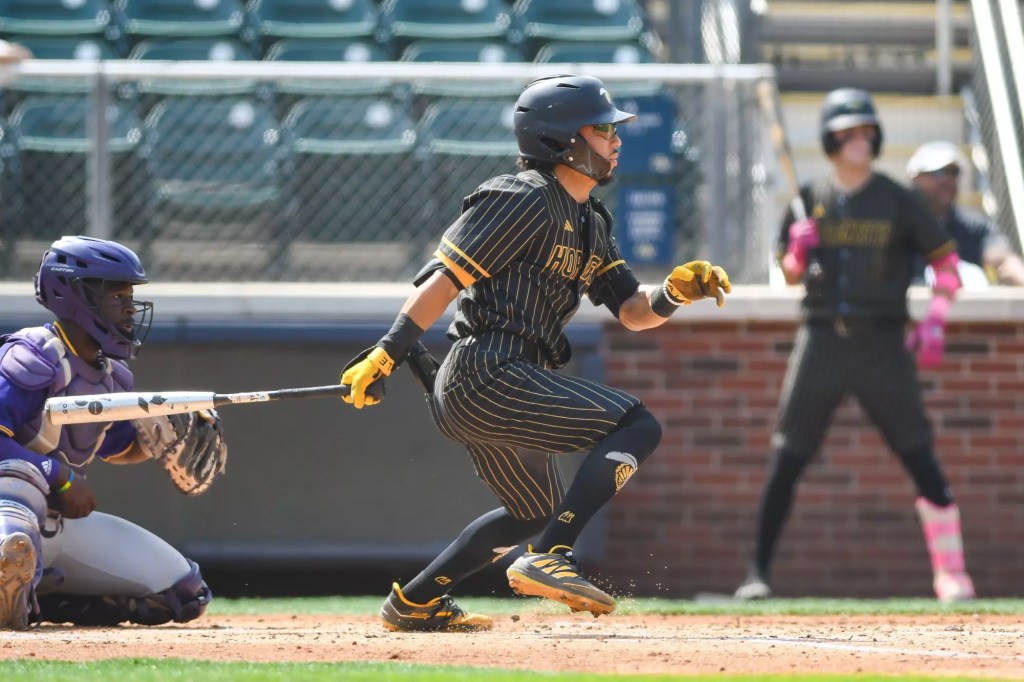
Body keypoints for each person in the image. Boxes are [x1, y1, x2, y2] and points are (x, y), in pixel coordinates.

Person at [339, 74, 732, 631]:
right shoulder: (522, 197)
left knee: (532, 510)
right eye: (602, 129)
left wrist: (673, 293)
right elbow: (443, 280)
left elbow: (631, 311)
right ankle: (554, 555)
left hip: (503, 379)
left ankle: (416, 602)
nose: (616, 139)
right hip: (487, 372)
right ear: (559, 139)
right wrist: (387, 352)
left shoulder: (592, 220)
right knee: (637, 425)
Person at [734, 88, 975, 602]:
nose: (859, 139)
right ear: (830, 138)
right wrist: (796, 250)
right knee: (788, 456)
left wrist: (934, 320)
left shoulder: (899, 199)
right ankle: (756, 573)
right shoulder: (808, 197)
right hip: (821, 339)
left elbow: (947, 267)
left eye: (867, 130)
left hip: (883, 341)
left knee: (918, 451)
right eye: (848, 131)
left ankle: (952, 573)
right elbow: (791, 273)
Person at [0, 236, 228, 629]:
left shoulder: (113, 377)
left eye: (130, 294)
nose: (129, 307)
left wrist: (158, 438)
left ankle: (31, 596)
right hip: (10, 511)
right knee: (19, 482)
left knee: (182, 594)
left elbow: (116, 448)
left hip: (57, 526)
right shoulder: (32, 356)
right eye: (116, 294)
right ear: (74, 295)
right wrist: (63, 478)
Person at [908, 140, 1024, 286]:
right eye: (939, 172)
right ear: (915, 178)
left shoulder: (973, 227)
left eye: (954, 173)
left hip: (958, 308)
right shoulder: (895, 224)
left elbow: (1004, 260)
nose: (948, 180)